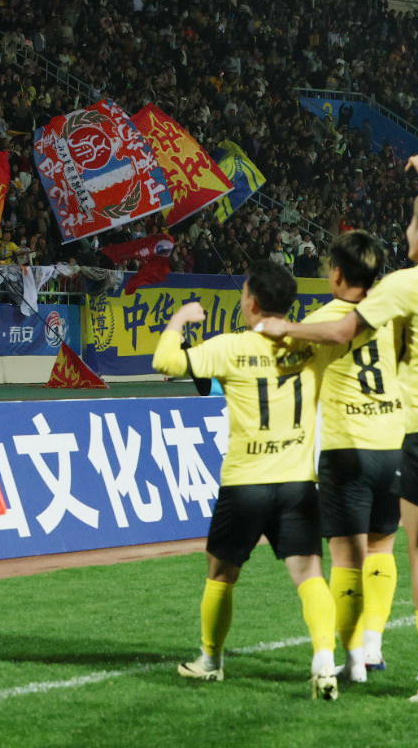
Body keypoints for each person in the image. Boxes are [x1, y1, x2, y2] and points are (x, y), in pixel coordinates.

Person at [257, 153, 418, 704]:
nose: (407, 231)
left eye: (413, 223)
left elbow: (340, 331)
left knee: (417, 551)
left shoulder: (401, 288)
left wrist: (281, 326)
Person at [152, 261, 342, 700]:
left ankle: (210, 662)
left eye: (242, 294)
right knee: (310, 574)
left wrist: (180, 320)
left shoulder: (229, 347)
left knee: (221, 573)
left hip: (246, 483)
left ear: (252, 303)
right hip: (297, 482)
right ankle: (323, 663)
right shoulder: (309, 345)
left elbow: (165, 360)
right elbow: (348, 330)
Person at [303, 231, 404, 683]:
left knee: (345, 558)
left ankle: (354, 660)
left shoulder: (322, 321)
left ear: (337, 273)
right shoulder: (392, 316)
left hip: (348, 448)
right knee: (381, 547)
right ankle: (374, 646)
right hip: (393, 445)